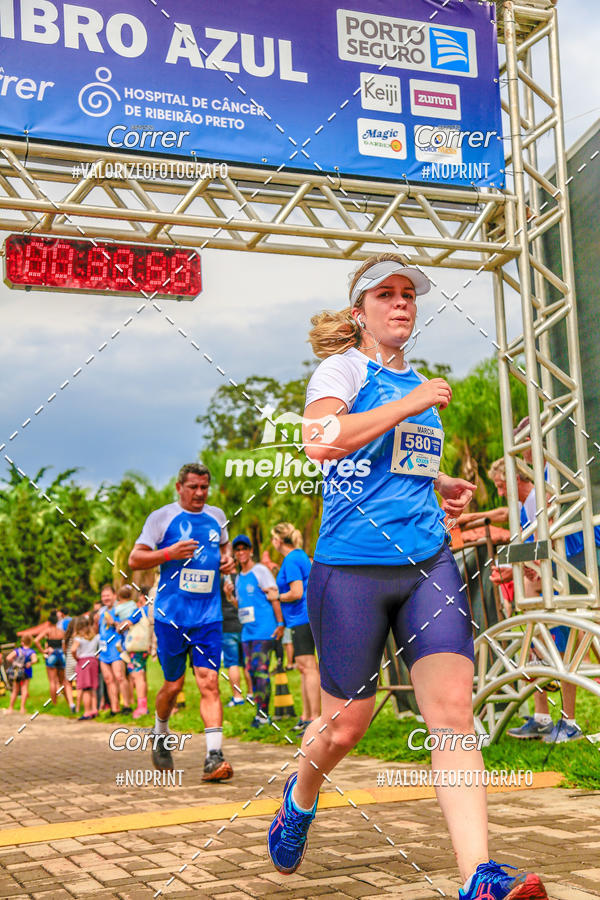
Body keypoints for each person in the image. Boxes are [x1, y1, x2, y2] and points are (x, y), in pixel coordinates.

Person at [267, 253, 548, 900]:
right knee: (346, 725)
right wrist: (413, 402)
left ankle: (478, 876)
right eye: (385, 294)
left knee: (452, 712)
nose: (401, 303)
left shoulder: (419, 381)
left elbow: (392, 462)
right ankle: (300, 795)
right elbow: (322, 441)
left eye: (409, 295)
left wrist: (440, 481)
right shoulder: (344, 369)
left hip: (428, 563)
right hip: (353, 569)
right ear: (361, 311)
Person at [128, 462, 235, 781]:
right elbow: (135, 559)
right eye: (193, 487)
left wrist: (227, 562)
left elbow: (224, 549)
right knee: (173, 686)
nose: (200, 493)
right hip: (171, 618)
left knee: (209, 682)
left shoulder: (216, 516)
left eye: (204, 487)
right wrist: (169, 553)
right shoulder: (161, 518)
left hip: (208, 617)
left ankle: (213, 757)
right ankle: (160, 733)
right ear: (179, 488)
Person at [225, 535, 284, 728]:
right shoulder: (239, 577)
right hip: (247, 632)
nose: (241, 552)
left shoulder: (260, 570)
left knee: (260, 671)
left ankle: (263, 714)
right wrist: (229, 596)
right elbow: (240, 605)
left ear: (251, 551)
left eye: (244, 549)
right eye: (238, 549)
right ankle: (260, 712)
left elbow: (274, 597)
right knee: (251, 670)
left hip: (264, 630)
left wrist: (280, 623)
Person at [271, 523, 320, 734]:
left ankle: (316, 719)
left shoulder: (291, 559)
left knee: (308, 667)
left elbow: (297, 592)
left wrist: (276, 596)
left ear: (278, 541)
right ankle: (306, 716)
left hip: (303, 617)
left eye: (273, 538)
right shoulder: (298, 556)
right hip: (302, 619)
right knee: (303, 667)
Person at [96, 585, 133, 715]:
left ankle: (127, 706)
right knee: (108, 679)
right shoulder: (101, 612)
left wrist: (113, 623)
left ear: (114, 595)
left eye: (108, 595)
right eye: (103, 596)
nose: (105, 598)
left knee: (119, 676)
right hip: (103, 650)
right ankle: (114, 708)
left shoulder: (120, 609)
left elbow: (125, 627)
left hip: (117, 648)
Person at [220, 574, 250, 708]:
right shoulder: (241, 578)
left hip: (227, 626)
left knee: (232, 663)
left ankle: (237, 697)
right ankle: (251, 693)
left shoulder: (218, 581)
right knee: (246, 663)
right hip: (243, 624)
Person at [123, 588, 152, 719]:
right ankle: (143, 705)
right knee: (143, 676)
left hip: (136, 648)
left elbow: (125, 625)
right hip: (146, 647)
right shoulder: (153, 610)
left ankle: (142, 707)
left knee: (138, 676)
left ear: (142, 597)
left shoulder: (140, 611)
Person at [33, 611, 70, 709]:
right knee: (63, 681)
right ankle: (68, 701)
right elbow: (66, 643)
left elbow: (36, 640)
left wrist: (43, 651)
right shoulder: (61, 631)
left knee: (52, 681)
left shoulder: (48, 630)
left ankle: (54, 704)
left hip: (51, 654)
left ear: (49, 622)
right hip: (61, 655)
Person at [72, 615, 100, 720]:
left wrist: (77, 658)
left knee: (85, 688)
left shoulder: (78, 638)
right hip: (93, 660)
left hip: (83, 661)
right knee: (93, 687)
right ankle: (94, 709)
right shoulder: (95, 637)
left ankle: (87, 711)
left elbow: (73, 650)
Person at [3, 636, 37, 714]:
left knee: (15, 690)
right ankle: (22, 708)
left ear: (22, 642)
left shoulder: (17, 650)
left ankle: (10, 708)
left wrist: (15, 662)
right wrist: (30, 663)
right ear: (30, 643)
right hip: (27, 671)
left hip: (17, 671)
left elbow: (8, 658)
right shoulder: (31, 651)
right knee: (24, 689)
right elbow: (34, 660)